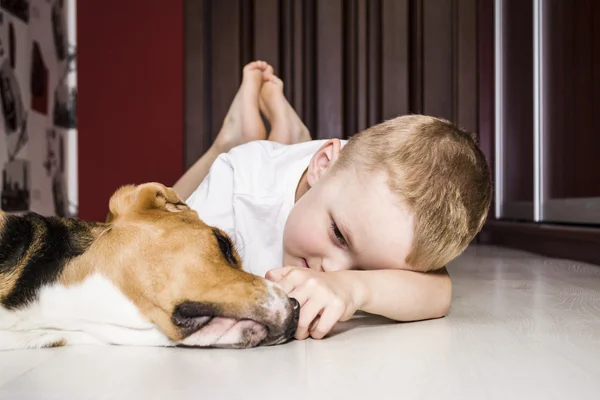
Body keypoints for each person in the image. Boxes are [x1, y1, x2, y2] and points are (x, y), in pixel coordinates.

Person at [174, 61, 492, 341]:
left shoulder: (385, 216)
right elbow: (163, 260)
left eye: (366, 268)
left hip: (327, 176)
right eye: (338, 235)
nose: (332, 269)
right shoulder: (241, 188)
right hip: (253, 168)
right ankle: (232, 138)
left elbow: (438, 293)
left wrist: (353, 288)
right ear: (322, 164)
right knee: (163, 206)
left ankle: (292, 135)